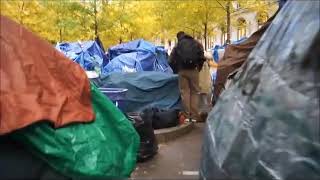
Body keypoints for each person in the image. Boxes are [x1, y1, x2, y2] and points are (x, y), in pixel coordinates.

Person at [169, 31, 205, 122]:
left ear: (178, 37)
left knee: (185, 92)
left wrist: (176, 70)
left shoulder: (178, 45)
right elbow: (202, 56)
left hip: (182, 71)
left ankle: (187, 115)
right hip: (194, 70)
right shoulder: (196, 43)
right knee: (195, 92)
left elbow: (170, 60)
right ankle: (194, 116)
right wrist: (198, 68)